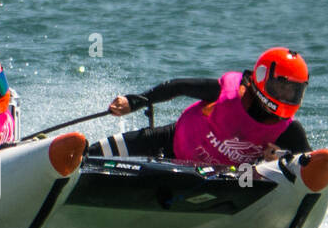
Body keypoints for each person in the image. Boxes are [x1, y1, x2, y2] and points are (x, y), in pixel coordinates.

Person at [91, 47, 311, 165]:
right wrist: (134, 101)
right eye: (282, 88)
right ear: (263, 78)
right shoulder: (229, 93)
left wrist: (278, 158)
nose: (286, 96)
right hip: (170, 143)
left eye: (293, 91)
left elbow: (311, 166)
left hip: (224, 182)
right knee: (90, 155)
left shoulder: (288, 130)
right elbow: (178, 86)